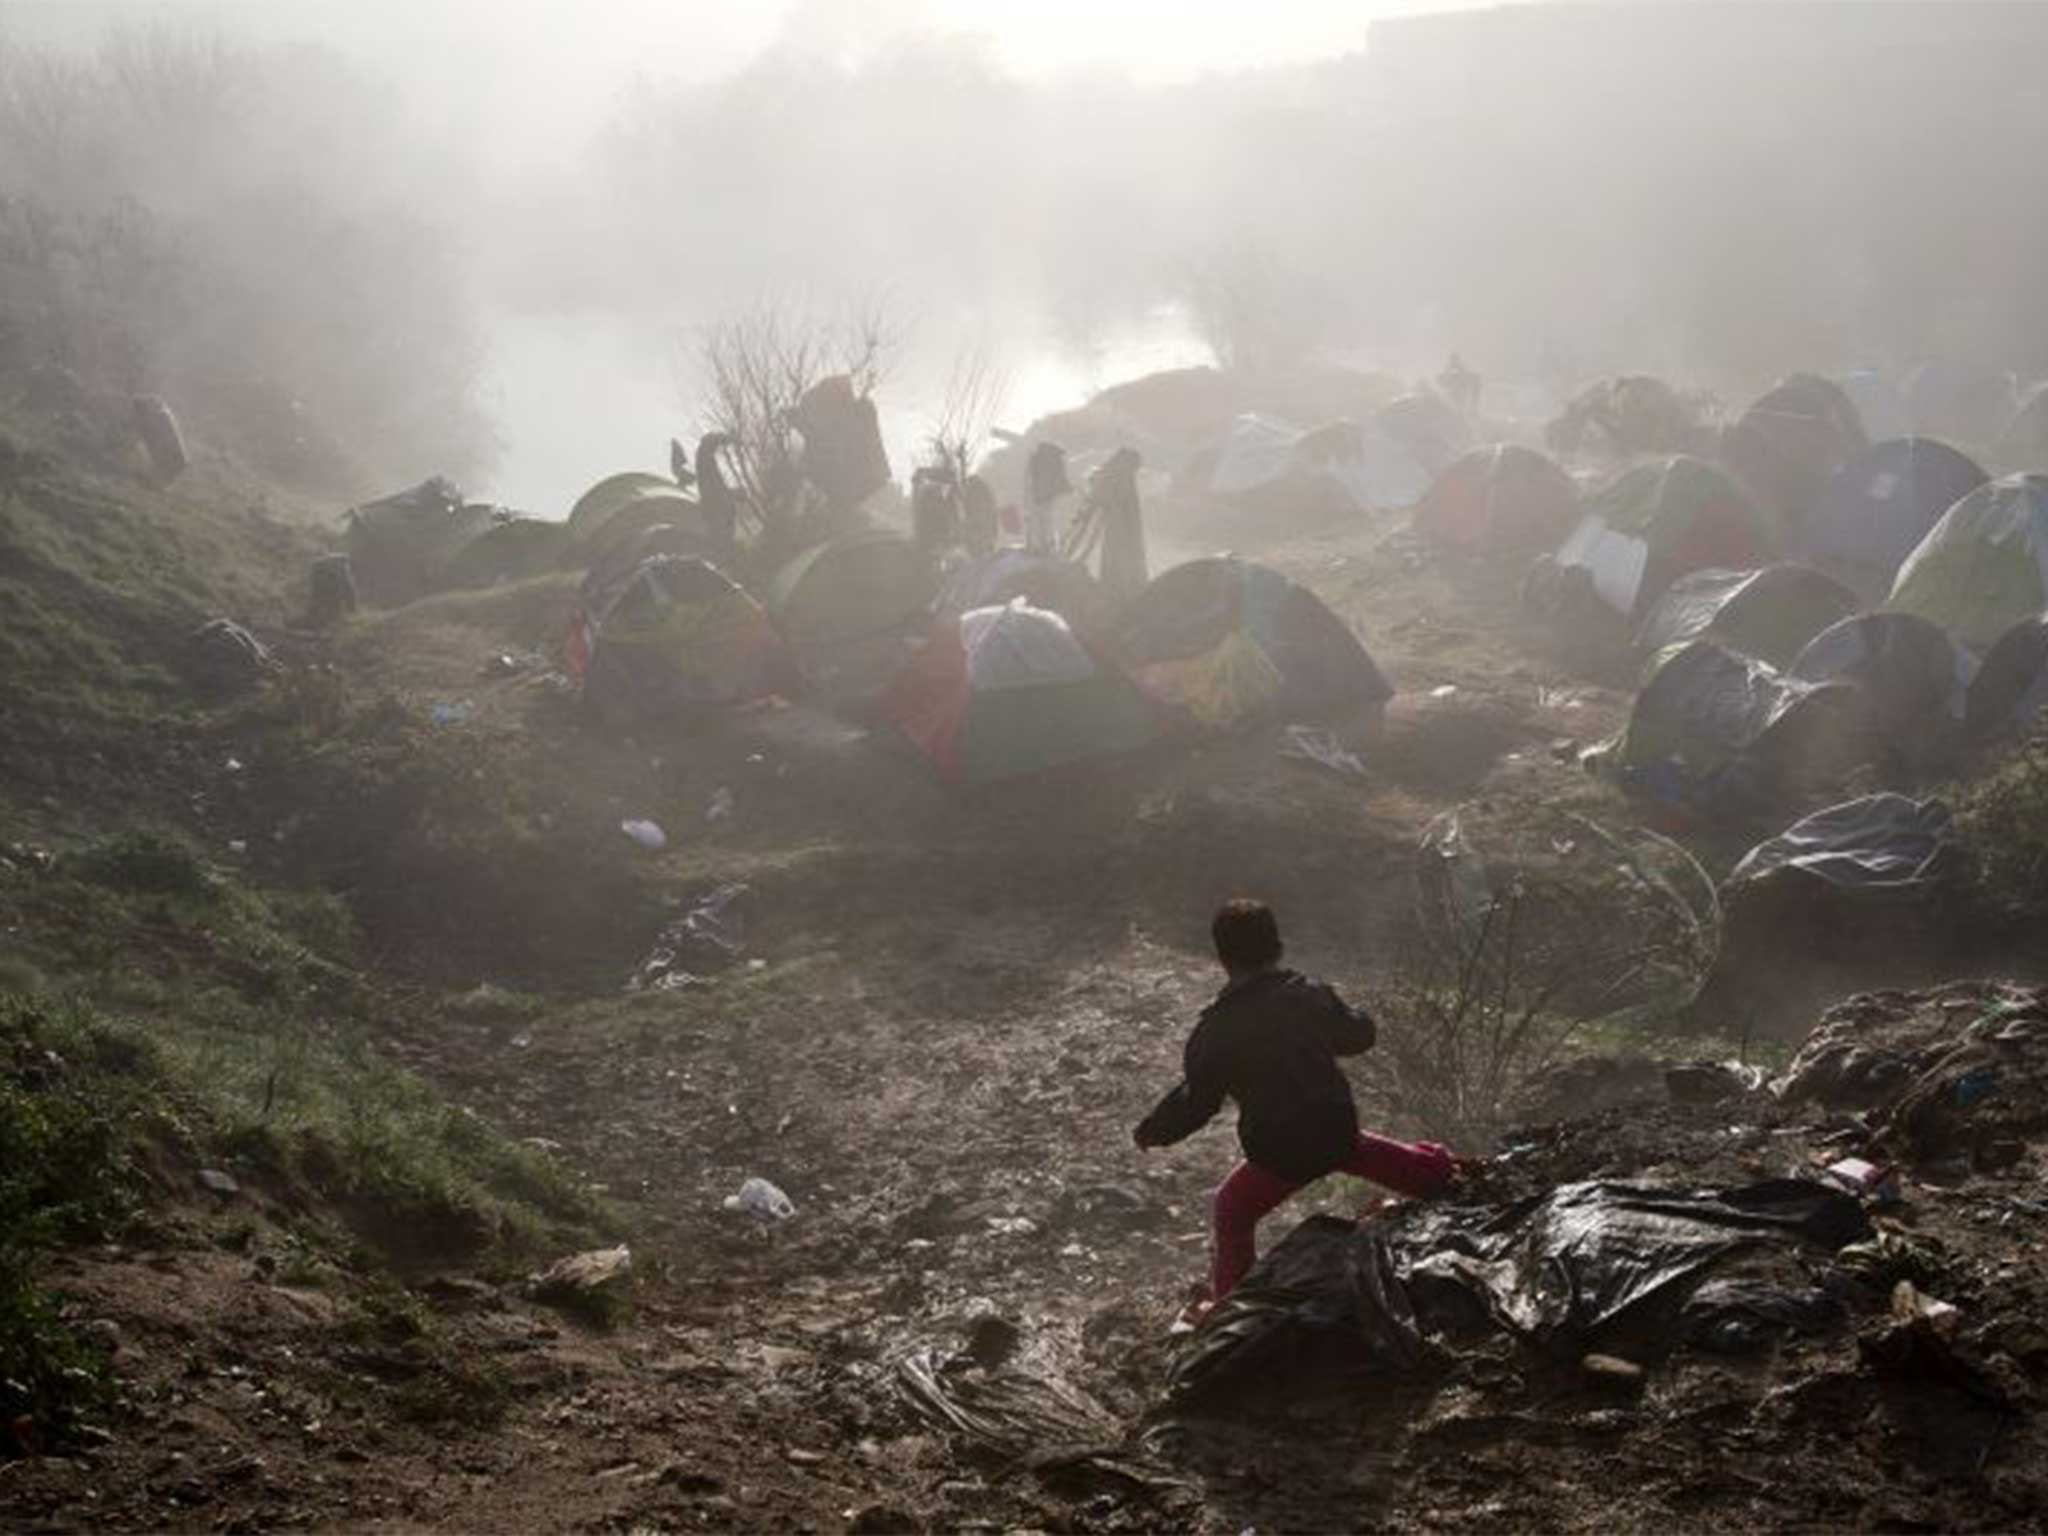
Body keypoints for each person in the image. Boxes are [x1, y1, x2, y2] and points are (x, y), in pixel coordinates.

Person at [1133, 899, 1456, 1315]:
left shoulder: (1214, 1031)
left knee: (1231, 1211)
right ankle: (1436, 1174)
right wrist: (1356, 1017)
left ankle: (1232, 1304)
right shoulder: (1308, 996)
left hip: (1278, 1149)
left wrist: (1154, 1130)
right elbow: (1357, 1037)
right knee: (1354, 1150)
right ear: (1278, 946)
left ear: (1223, 958)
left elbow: (1197, 1102)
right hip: (1335, 1127)